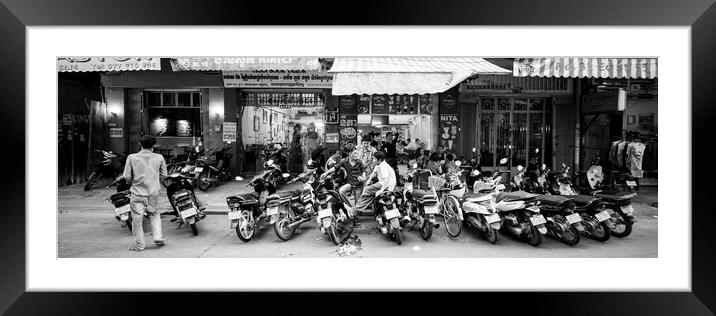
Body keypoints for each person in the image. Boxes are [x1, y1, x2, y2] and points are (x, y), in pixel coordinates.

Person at [122, 135, 167, 252]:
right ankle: (158, 237)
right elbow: (164, 175)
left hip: (137, 193)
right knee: (155, 214)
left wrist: (132, 182)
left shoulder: (131, 157)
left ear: (140, 144)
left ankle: (140, 245)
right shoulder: (159, 157)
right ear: (153, 146)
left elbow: (126, 176)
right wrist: (156, 182)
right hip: (153, 192)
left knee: (137, 220)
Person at [353, 151, 409, 222]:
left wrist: (381, 190)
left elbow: (386, 179)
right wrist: (368, 180)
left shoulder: (383, 166)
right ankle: (360, 209)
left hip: (386, 185)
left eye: (374, 159)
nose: (373, 160)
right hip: (388, 185)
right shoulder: (379, 164)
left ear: (379, 159)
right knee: (369, 192)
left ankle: (355, 210)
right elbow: (374, 172)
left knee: (366, 190)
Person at [323, 150, 365, 226]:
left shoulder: (359, 162)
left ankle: (355, 219)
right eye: (354, 153)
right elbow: (335, 168)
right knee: (341, 190)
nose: (356, 155)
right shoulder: (344, 161)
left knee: (358, 203)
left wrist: (362, 178)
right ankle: (349, 207)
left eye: (357, 153)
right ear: (349, 153)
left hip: (358, 185)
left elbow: (363, 173)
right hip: (350, 183)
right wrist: (326, 173)